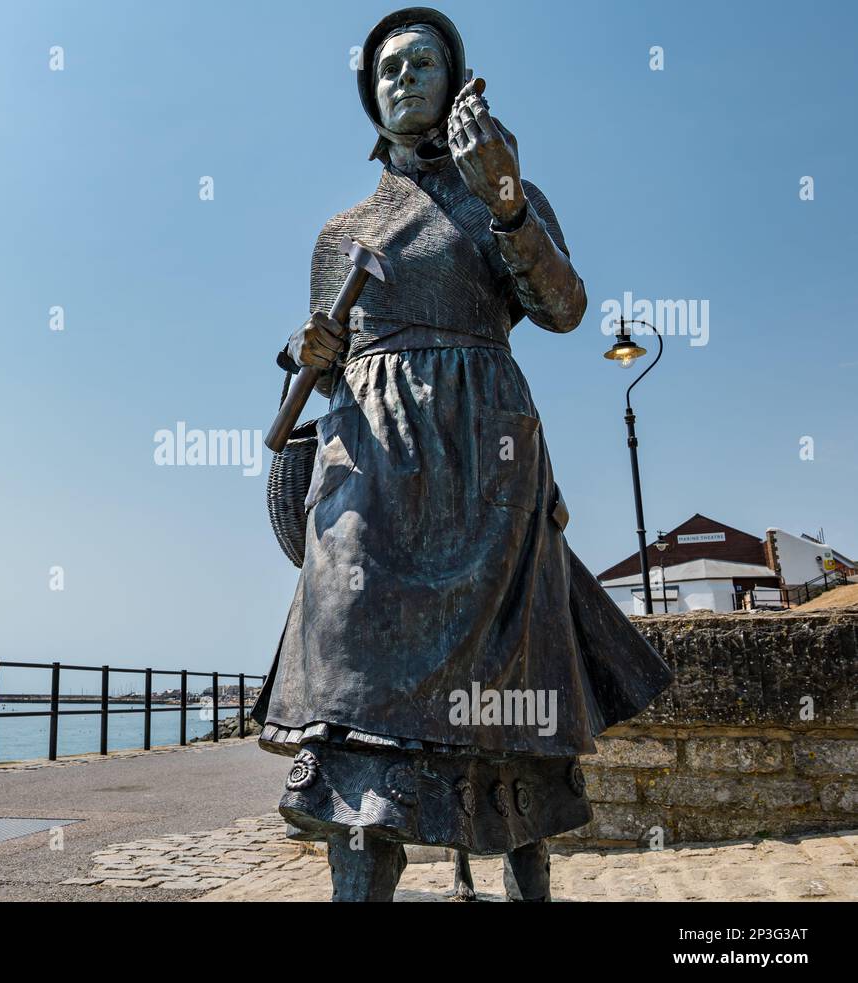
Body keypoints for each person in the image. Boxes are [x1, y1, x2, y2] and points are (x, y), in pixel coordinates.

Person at [253, 7, 673, 902]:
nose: (402, 79)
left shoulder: (501, 184)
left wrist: (507, 198)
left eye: (422, 65)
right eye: (387, 70)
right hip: (369, 463)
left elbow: (562, 310)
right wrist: (316, 355)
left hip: (487, 460)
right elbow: (336, 367)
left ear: (457, 83)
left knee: (506, 689)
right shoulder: (338, 233)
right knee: (353, 682)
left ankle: (527, 879)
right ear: (368, 96)